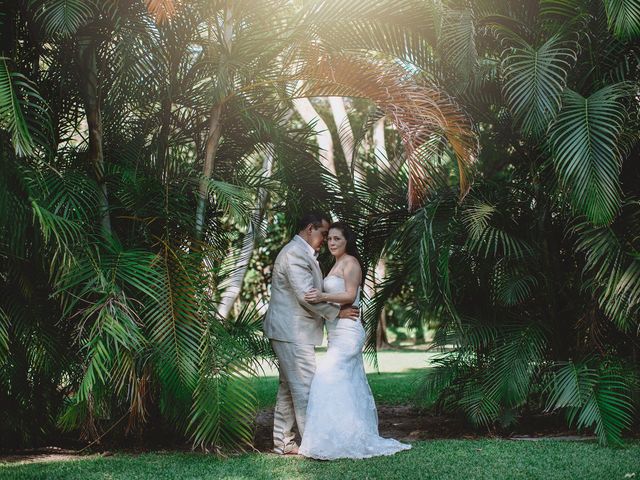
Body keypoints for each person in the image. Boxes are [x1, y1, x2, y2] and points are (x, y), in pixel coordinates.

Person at [298, 222, 411, 460]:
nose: (331, 243)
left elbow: (350, 295)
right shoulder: (334, 265)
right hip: (336, 331)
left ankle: (343, 438)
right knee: (344, 383)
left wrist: (322, 295)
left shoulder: (351, 263)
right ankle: (338, 437)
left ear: (347, 241)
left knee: (327, 375)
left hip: (348, 332)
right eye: (329, 239)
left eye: (337, 239)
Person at [263, 213, 359, 455]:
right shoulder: (295, 254)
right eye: (323, 234)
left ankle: (283, 443)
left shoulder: (301, 253)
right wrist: (337, 314)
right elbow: (306, 295)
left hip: (291, 331)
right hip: (293, 332)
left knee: (288, 388)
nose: (325, 240)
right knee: (306, 387)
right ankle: (315, 444)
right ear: (309, 229)